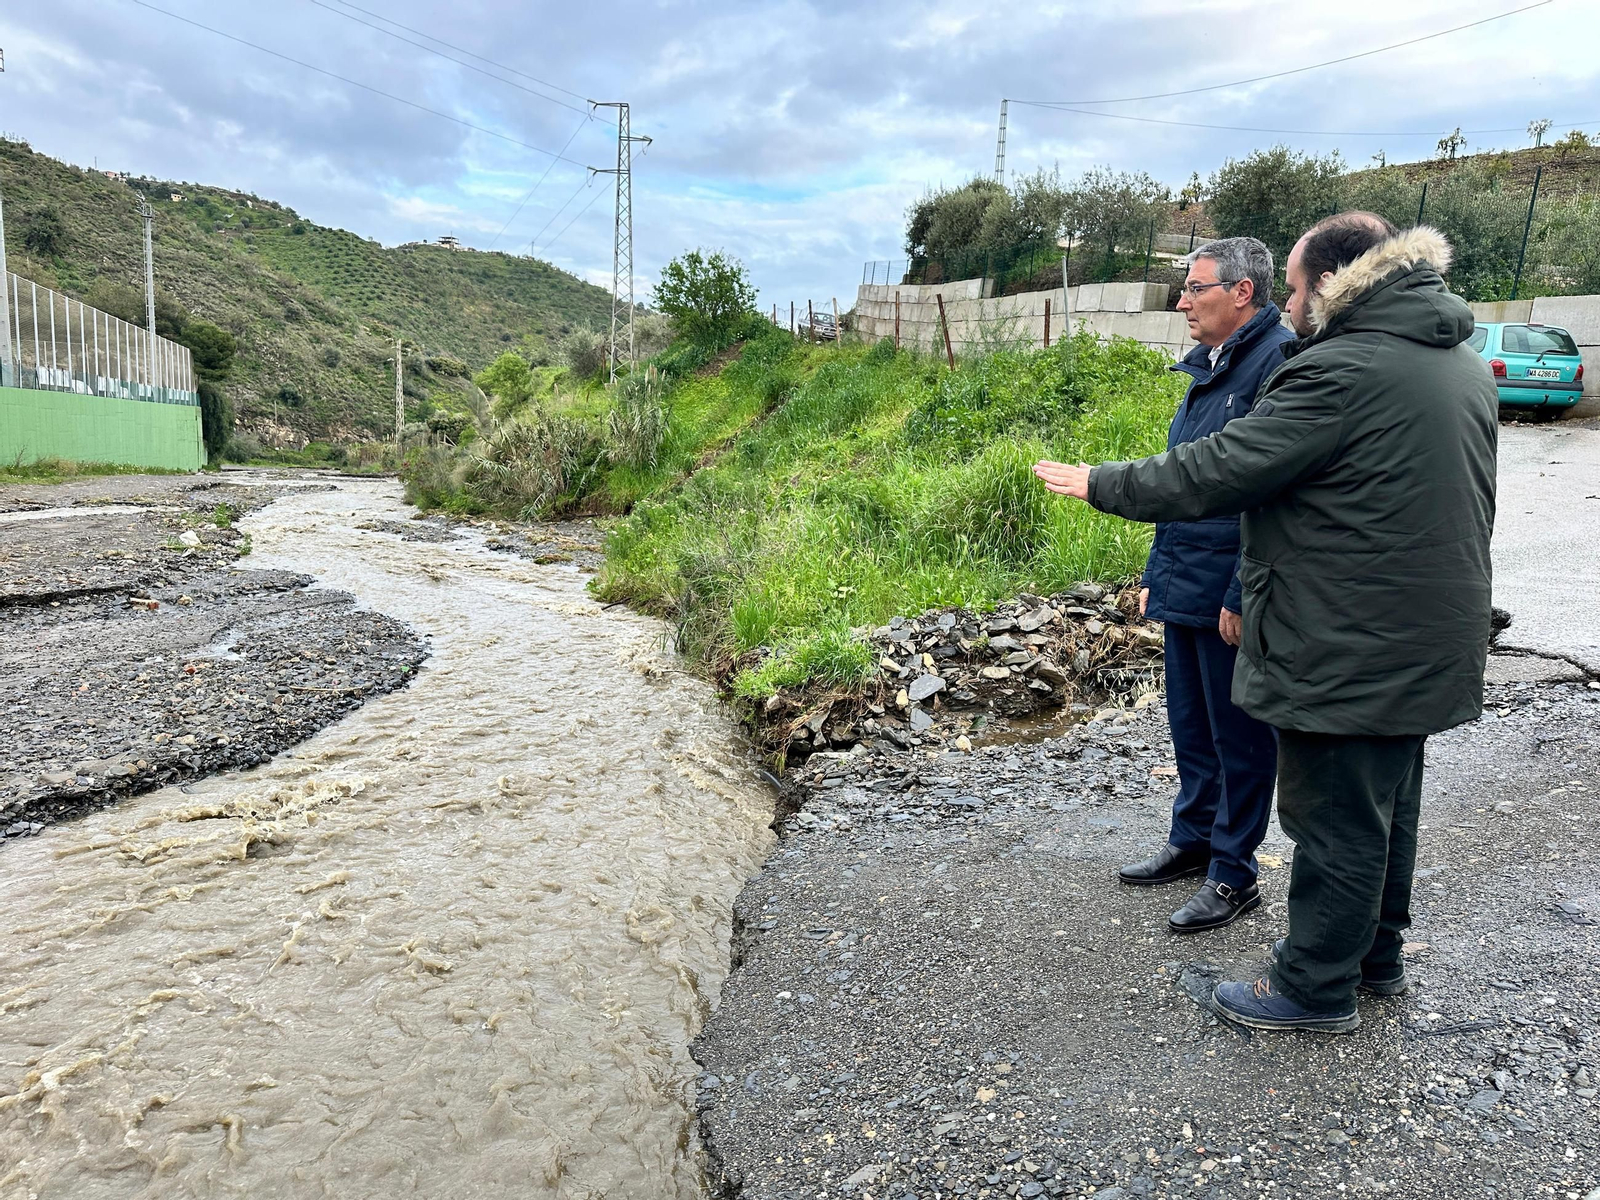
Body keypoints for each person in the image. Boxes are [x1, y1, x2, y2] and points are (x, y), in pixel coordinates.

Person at [1034, 213, 1497, 1033]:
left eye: (1290, 286)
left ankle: (1313, 988)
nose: (1286, 305)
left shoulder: (1342, 369)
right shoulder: (1454, 361)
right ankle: (1374, 960)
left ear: (1332, 283)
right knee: (1388, 803)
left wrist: (1104, 482)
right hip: (1424, 633)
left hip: (1353, 637)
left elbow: (1225, 466)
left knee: (1334, 816)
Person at [1117, 237, 1289, 935]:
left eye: (1195, 289)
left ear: (1241, 293)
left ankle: (1233, 873)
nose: (1182, 301)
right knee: (1191, 726)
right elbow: (1187, 483)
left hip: (1229, 585)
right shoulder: (1212, 366)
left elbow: (1270, 497)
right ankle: (1192, 842)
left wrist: (1242, 594)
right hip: (1187, 576)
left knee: (1240, 736)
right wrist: (1158, 579)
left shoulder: (1275, 364)